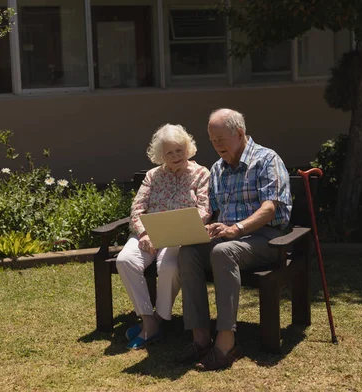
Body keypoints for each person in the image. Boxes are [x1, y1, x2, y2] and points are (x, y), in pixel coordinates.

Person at [176, 108, 292, 371]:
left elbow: (271, 208)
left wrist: (237, 228)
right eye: (212, 140)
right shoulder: (218, 169)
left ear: (239, 134)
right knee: (188, 251)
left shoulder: (266, 159)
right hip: (230, 238)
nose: (216, 146)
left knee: (222, 252)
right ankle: (201, 338)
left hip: (267, 240)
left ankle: (226, 344)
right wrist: (202, 227)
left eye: (221, 140)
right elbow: (213, 210)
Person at [116, 124, 212, 350]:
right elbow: (137, 208)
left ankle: (158, 321)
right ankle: (149, 321)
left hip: (180, 237)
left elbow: (204, 209)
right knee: (125, 261)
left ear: (188, 148)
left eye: (180, 150)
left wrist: (179, 230)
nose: (176, 156)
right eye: (169, 152)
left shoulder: (201, 174)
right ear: (161, 155)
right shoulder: (153, 176)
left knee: (167, 267)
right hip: (149, 236)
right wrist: (144, 233)